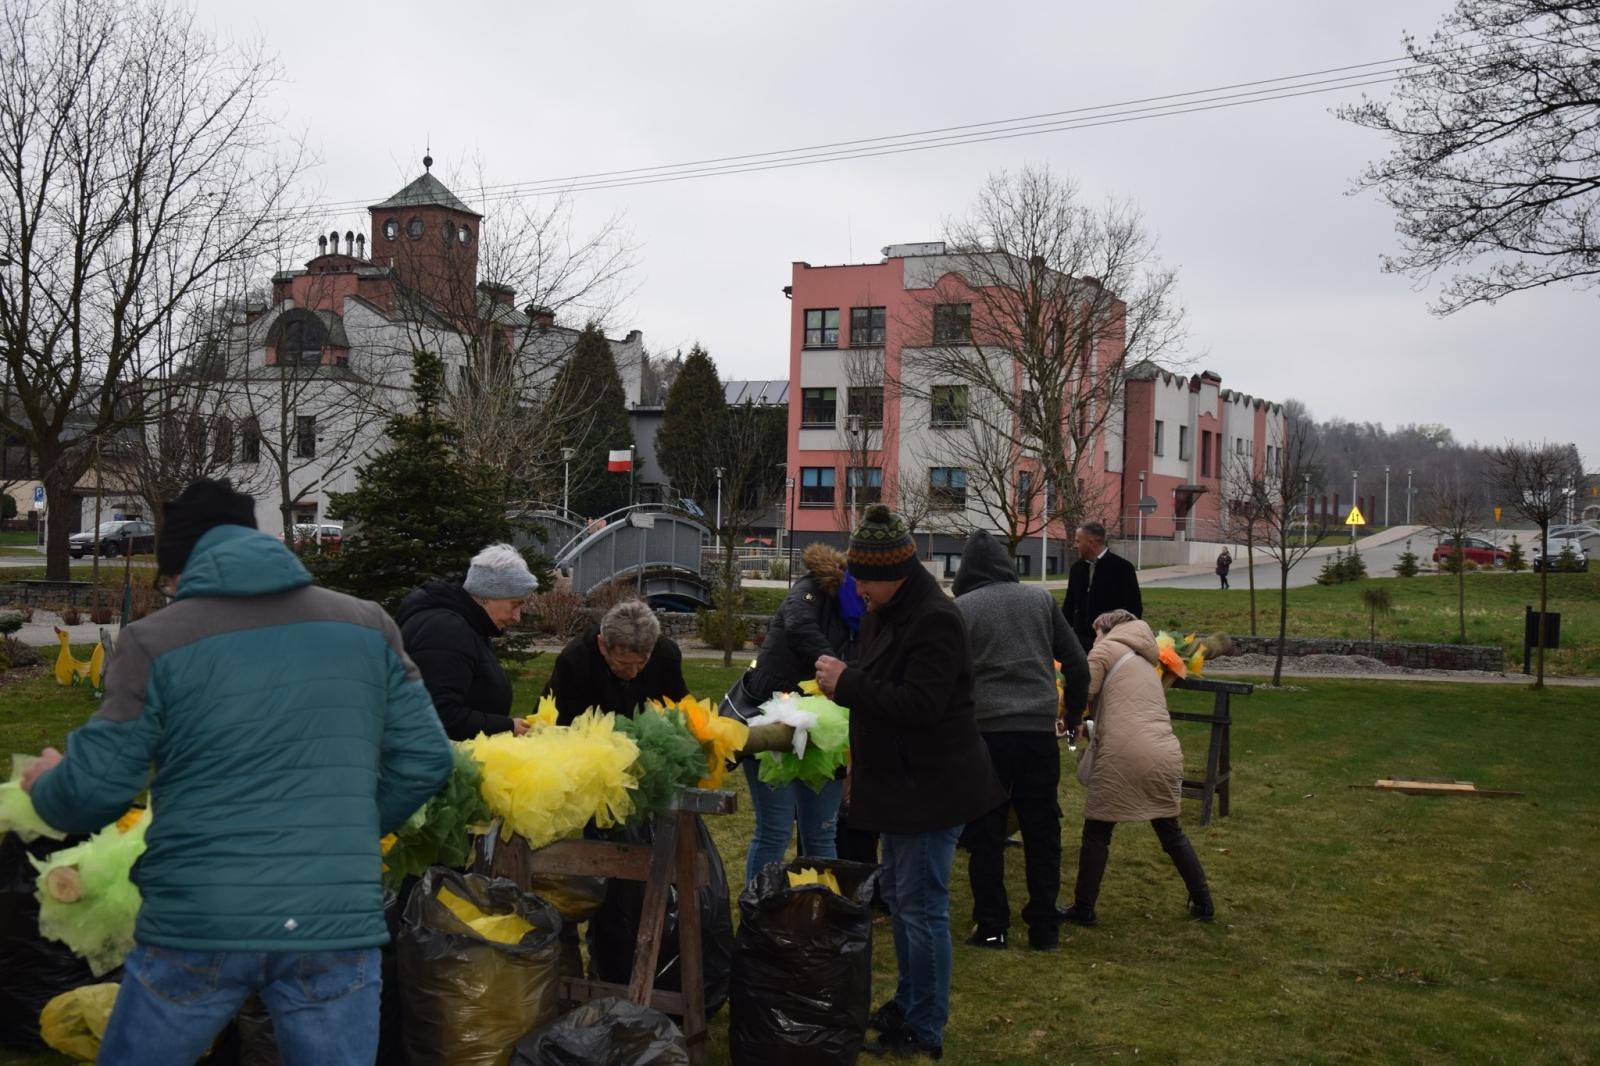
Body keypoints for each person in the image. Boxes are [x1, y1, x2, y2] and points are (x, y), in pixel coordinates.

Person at [20, 478, 453, 1066]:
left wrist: (47, 781)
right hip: (328, 918)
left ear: (180, 565)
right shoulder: (367, 625)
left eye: (167, 580)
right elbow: (427, 757)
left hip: (200, 918)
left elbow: (95, 791)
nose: (171, 593)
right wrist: (345, 832)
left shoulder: (155, 640)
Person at [815, 505, 1004, 1061]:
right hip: (897, 786)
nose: (856, 588)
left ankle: (925, 1027)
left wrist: (847, 683)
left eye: (862, 578)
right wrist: (857, 766)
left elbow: (921, 706)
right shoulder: (886, 609)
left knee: (923, 908)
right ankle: (907, 1002)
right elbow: (880, 685)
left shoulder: (935, 620)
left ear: (891, 573)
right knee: (901, 898)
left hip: (932, 789)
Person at [952, 530, 1088, 953]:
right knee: (1041, 828)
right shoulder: (1040, 600)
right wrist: (1073, 714)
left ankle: (992, 927)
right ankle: (1044, 927)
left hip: (985, 734)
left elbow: (949, 677)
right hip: (1036, 731)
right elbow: (1079, 665)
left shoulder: (961, 610)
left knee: (986, 832)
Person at [1058, 609, 1215, 928]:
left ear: (1106, 629)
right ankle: (1203, 900)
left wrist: (1064, 716)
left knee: (1097, 831)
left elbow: (1081, 693)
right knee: (1170, 832)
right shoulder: (1148, 659)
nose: (1094, 640)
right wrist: (1086, 728)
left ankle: (1084, 907)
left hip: (1122, 754)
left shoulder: (1104, 650)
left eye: (1096, 632)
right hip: (1163, 750)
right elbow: (1124, 712)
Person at [735, 542, 861, 886]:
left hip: (826, 727)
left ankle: (821, 913)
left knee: (822, 833)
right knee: (774, 831)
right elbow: (798, 625)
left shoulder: (867, 614)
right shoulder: (810, 590)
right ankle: (759, 910)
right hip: (772, 716)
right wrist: (836, 668)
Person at [396, 542, 540, 740]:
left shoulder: (471, 626)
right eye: (514, 604)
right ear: (487, 597)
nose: (517, 617)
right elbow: (440, 715)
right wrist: (506, 726)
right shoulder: (446, 631)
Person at [543, 599, 689, 722]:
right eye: (623, 663)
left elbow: (679, 708)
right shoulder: (574, 661)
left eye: (641, 663)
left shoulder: (667, 654)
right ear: (602, 645)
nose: (632, 673)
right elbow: (561, 723)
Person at [1061, 520, 1143, 652]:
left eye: (1078, 541)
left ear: (1091, 542)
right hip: (1079, 644)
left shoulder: (1122, 568)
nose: (1075, 546)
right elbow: (1069, 605)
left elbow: (1134, 609)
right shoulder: (1076, 568)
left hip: (1110, 644)